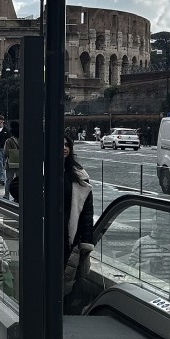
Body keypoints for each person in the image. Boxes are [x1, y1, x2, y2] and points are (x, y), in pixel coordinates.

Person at [63, 134, 95, 314]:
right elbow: (16, 187)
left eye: (67, 145)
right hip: (48, 231)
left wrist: (87, 241)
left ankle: (64, 311)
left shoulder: (79, 175)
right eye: (61, 145)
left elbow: (87, 212)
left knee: (68, 274)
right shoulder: (42, 170)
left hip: (70, 232)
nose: (64, 148)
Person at [3, 121, 20, 201]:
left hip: (11, 162)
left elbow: (6, 152)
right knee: (19, 180)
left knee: (9, 180)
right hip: (21, 162)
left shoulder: (9, 140)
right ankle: (17, 196)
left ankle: (6, 195)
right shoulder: (23, 139)